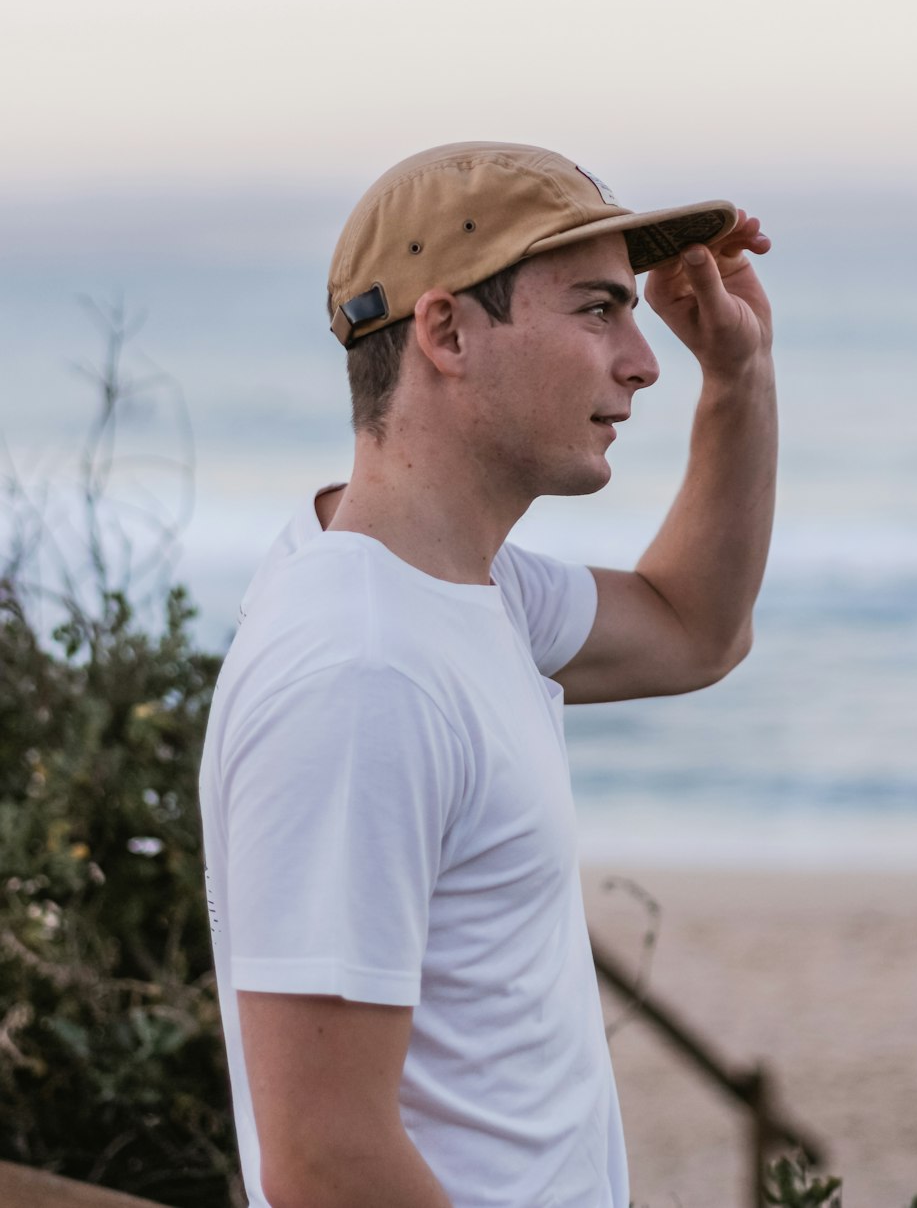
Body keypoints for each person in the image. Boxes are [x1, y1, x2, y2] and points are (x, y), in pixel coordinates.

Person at [199, 140, 775, 1208]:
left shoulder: (468, 590)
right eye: (599, 310)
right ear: (447, 330)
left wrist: (738, 380)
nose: (643, 360)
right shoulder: (363, 669)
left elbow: (698, 629)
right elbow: (325, 1160)